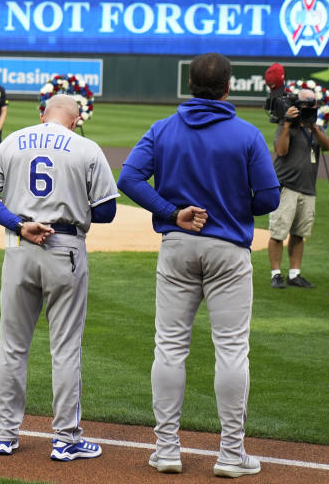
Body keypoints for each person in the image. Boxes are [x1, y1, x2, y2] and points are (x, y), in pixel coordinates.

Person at [117, 53, 280, 478]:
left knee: (170, 347)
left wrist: (172, 212)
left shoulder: (163, 128)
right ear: (228, 87)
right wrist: (231, 204)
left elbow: (129, 179)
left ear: (189, 85)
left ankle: (167, 449)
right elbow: (269, 198)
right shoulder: (245, 134)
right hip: (228, 249)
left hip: (178, 244)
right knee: (231, 350)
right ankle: (230, 455)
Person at [0, 94, 118, 460]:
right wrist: (73, 202)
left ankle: (4, 435)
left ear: (42, 115)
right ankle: (65, 439)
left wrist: (19, 224)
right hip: (64, 247)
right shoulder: (85, 147)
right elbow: (108, 211)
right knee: (65, 347)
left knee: (13, 345)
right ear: (75, 120)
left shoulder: (14, 140)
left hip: (20, 246)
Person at [267, 88, 329, 289]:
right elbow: (280, 150)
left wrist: (313, 127)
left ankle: (294, 274)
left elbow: (327, 146)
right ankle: (276, 274)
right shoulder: (286, 124)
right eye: (305, 104)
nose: (308, 107)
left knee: (299, 233)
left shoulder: (315, 127)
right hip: (287, 186)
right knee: (278, 232)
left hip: (307, 188)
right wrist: (287, 123)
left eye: (312, 104)